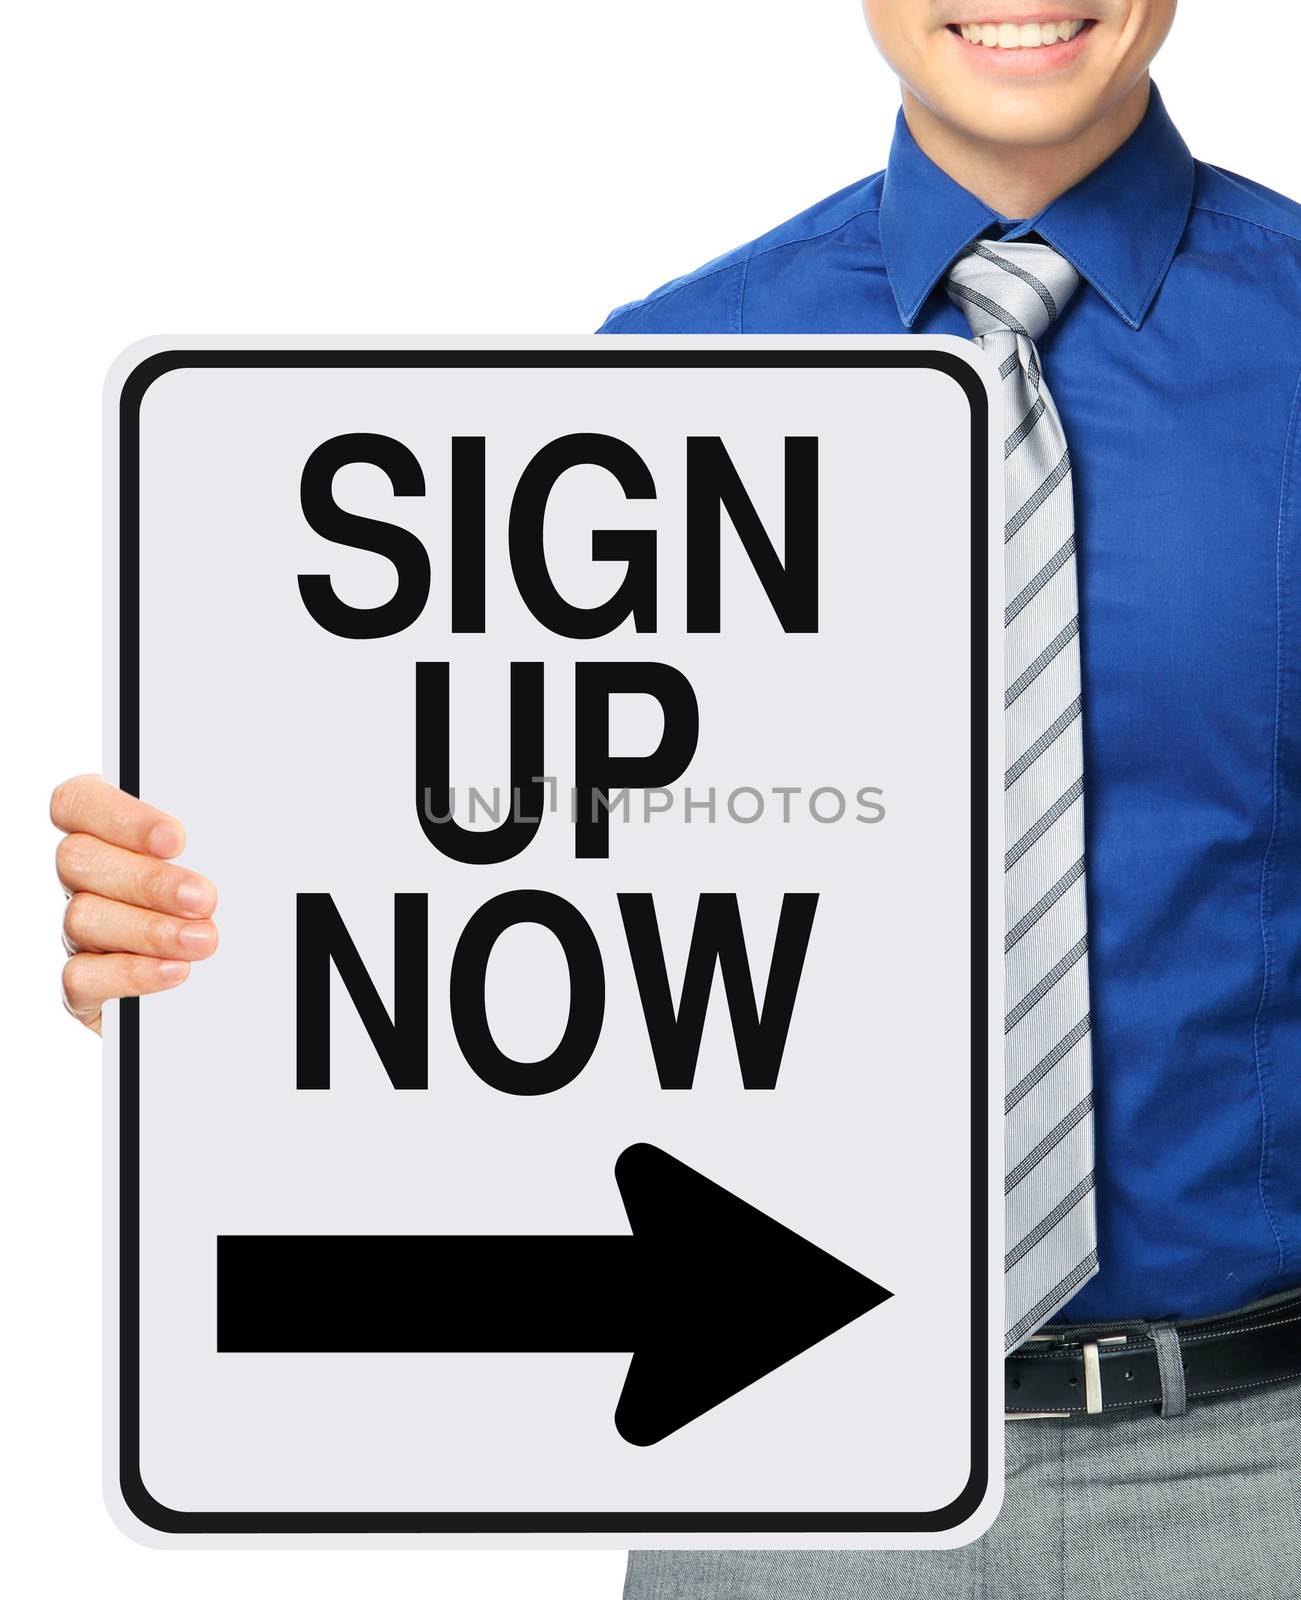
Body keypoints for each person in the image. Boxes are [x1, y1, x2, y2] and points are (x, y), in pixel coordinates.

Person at [51, 2, 1301, 1594]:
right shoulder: (658, 382)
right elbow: (506, 920)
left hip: (1261, 1467)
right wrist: (209, 946)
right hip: (779, 1482)